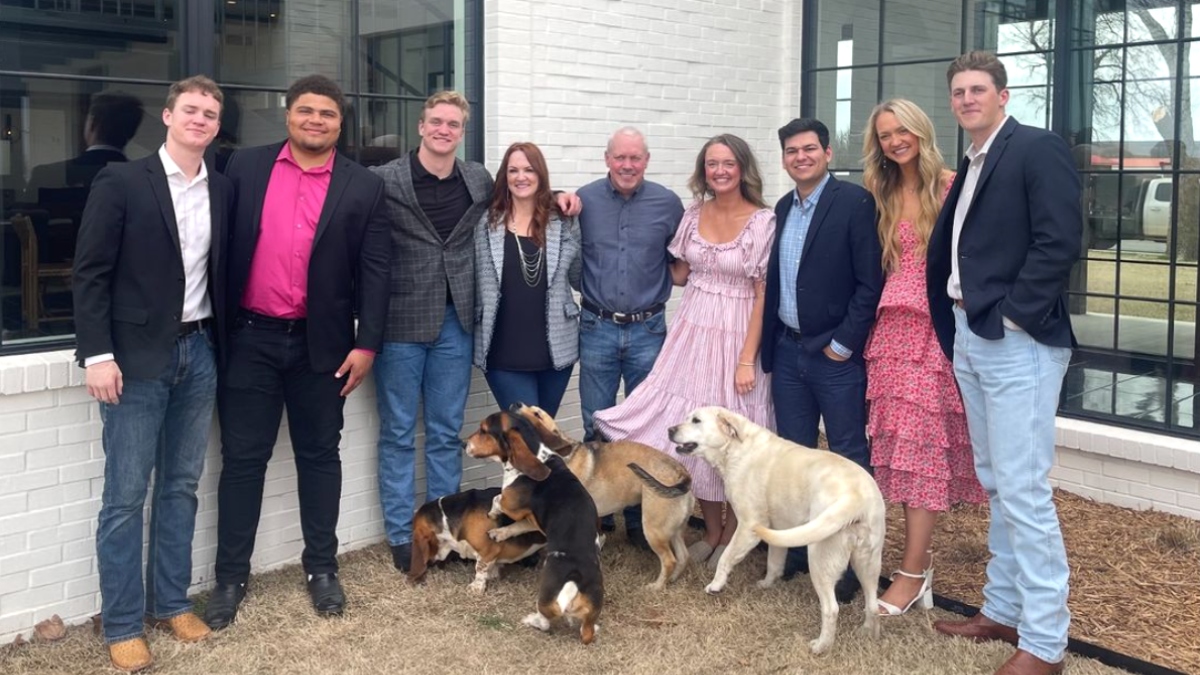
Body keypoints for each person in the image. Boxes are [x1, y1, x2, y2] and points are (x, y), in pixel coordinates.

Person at [204, 74, 391, 629]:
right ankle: (230, 577)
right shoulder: (243, 168)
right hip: (250, 340)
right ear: (288, 115)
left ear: (340, 123)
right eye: (306, 111)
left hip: (323, 347)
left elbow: (377, 270)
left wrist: (367, 343)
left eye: (327, 114)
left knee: (318, 457)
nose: (316, 121)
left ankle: (322, 569)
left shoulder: (362, 186)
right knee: (242, 462)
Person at [370, 92, 579, 573]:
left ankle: (447, 529)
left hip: (457, 322)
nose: (444, 130)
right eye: (436, 122)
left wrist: (562, 196)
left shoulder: (477, 179)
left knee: (446, 433)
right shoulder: (385, 180)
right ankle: (406, 535)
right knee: (399, 433)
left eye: (453, 124)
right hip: (400, 322)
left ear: (462, 132)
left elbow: (524, 193)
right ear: (421, 126)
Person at [926, 51, 1080, 675]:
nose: (967, 99)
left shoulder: (1035, 148)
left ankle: (1045, 643)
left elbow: (1060, 239)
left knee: (1023, 489)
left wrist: (1013, 315)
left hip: (1018, 341)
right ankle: (1002, 609)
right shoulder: (972, 161)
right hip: (971, 334)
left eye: (978, 89)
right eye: (959, 91)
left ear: (1003, 95)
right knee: (996, 481)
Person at [72, 75, 230, 673]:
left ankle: (169, 601)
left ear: (217, 125)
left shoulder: (222, 186)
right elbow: (89, 273)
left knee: (181, 487)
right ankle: (120, 623)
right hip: (134, 361)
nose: (200, 119)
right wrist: (98, 353)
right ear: (168, 116)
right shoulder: (121, 181)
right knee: (124, 497)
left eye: (210, 113)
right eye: (190, 109)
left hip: (199, 353)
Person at [595, 134, 776, 569]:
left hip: (736, 333)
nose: (720, 171)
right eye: (712, 164)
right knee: (694, 434)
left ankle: (734, 534)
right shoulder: (693, 213)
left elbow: (763, 293)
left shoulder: (762, 220)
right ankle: (711, 530)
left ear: (743, 167)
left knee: (732, 433)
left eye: (728, 163)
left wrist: (748, 358)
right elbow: (677, 272)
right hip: (693, 332)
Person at [859, 99, 986, 616]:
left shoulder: (951, 186)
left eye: (902, 129)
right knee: (897, 449)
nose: (895, 140)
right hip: (888, 335)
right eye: (885, 134)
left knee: (922, 453)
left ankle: (912, 573)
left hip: (934, 332)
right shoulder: (878, 192)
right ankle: (915, 565)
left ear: (921, 130)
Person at [761, 118, 883, 600]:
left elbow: (868, 283)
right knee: (794, 457)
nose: (800, 157)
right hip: (788, 352)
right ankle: (800, 552)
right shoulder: (784, 206)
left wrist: (843, 344)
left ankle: (854, 566)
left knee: (849, 456)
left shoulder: (853, 203)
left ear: (827, 153)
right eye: (792, 151)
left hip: (834, 355)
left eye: (809, 149)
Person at [577, 127, 684, 547]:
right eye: (619, 158)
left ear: (646, 160)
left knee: (646, 429)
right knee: (596, 424)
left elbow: (683, 261)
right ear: (607, 159)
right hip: (597, 327)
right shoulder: (584, 202)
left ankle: (642, 523)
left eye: (634, 158)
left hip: (648, 329)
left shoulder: (668, 204)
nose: (627, 165)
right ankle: (594, 521)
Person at [474, 142, 581, 414]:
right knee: (527, 437)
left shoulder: (563, 221)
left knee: (543, 437)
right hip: (503, 353)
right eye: (513, 170)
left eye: (529, 169)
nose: (521, 177)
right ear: (505, 177)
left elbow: (579, 277)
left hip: (556, 352)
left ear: (540, 175)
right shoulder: (487, 224)